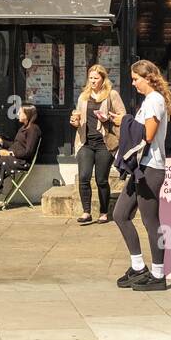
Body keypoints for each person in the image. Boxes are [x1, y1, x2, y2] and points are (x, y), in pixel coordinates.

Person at [110, 60, 171, 291]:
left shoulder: (155, 100)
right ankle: (138, 267)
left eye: (136, 79)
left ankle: (158, 274)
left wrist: (124, 121)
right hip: (141, 167)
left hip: (151, 168)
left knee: (151, 221)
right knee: (120, 214)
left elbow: (148, 135)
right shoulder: (149, 100)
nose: (133, 83)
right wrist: (120, 122)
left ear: (148, 78)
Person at [70, 65, 126, 225]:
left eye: (96, 78)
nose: (93, 81)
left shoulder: (111, 95)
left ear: (103, 78)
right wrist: (75, 121)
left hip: (104, 143)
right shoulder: (83, 96)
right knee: (84, 177)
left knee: (101, 179)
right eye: (91, 78)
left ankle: (103, 212)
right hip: (85, 141)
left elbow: (123, 115)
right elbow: (78, 115)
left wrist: (106, 118)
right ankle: (86, 211)